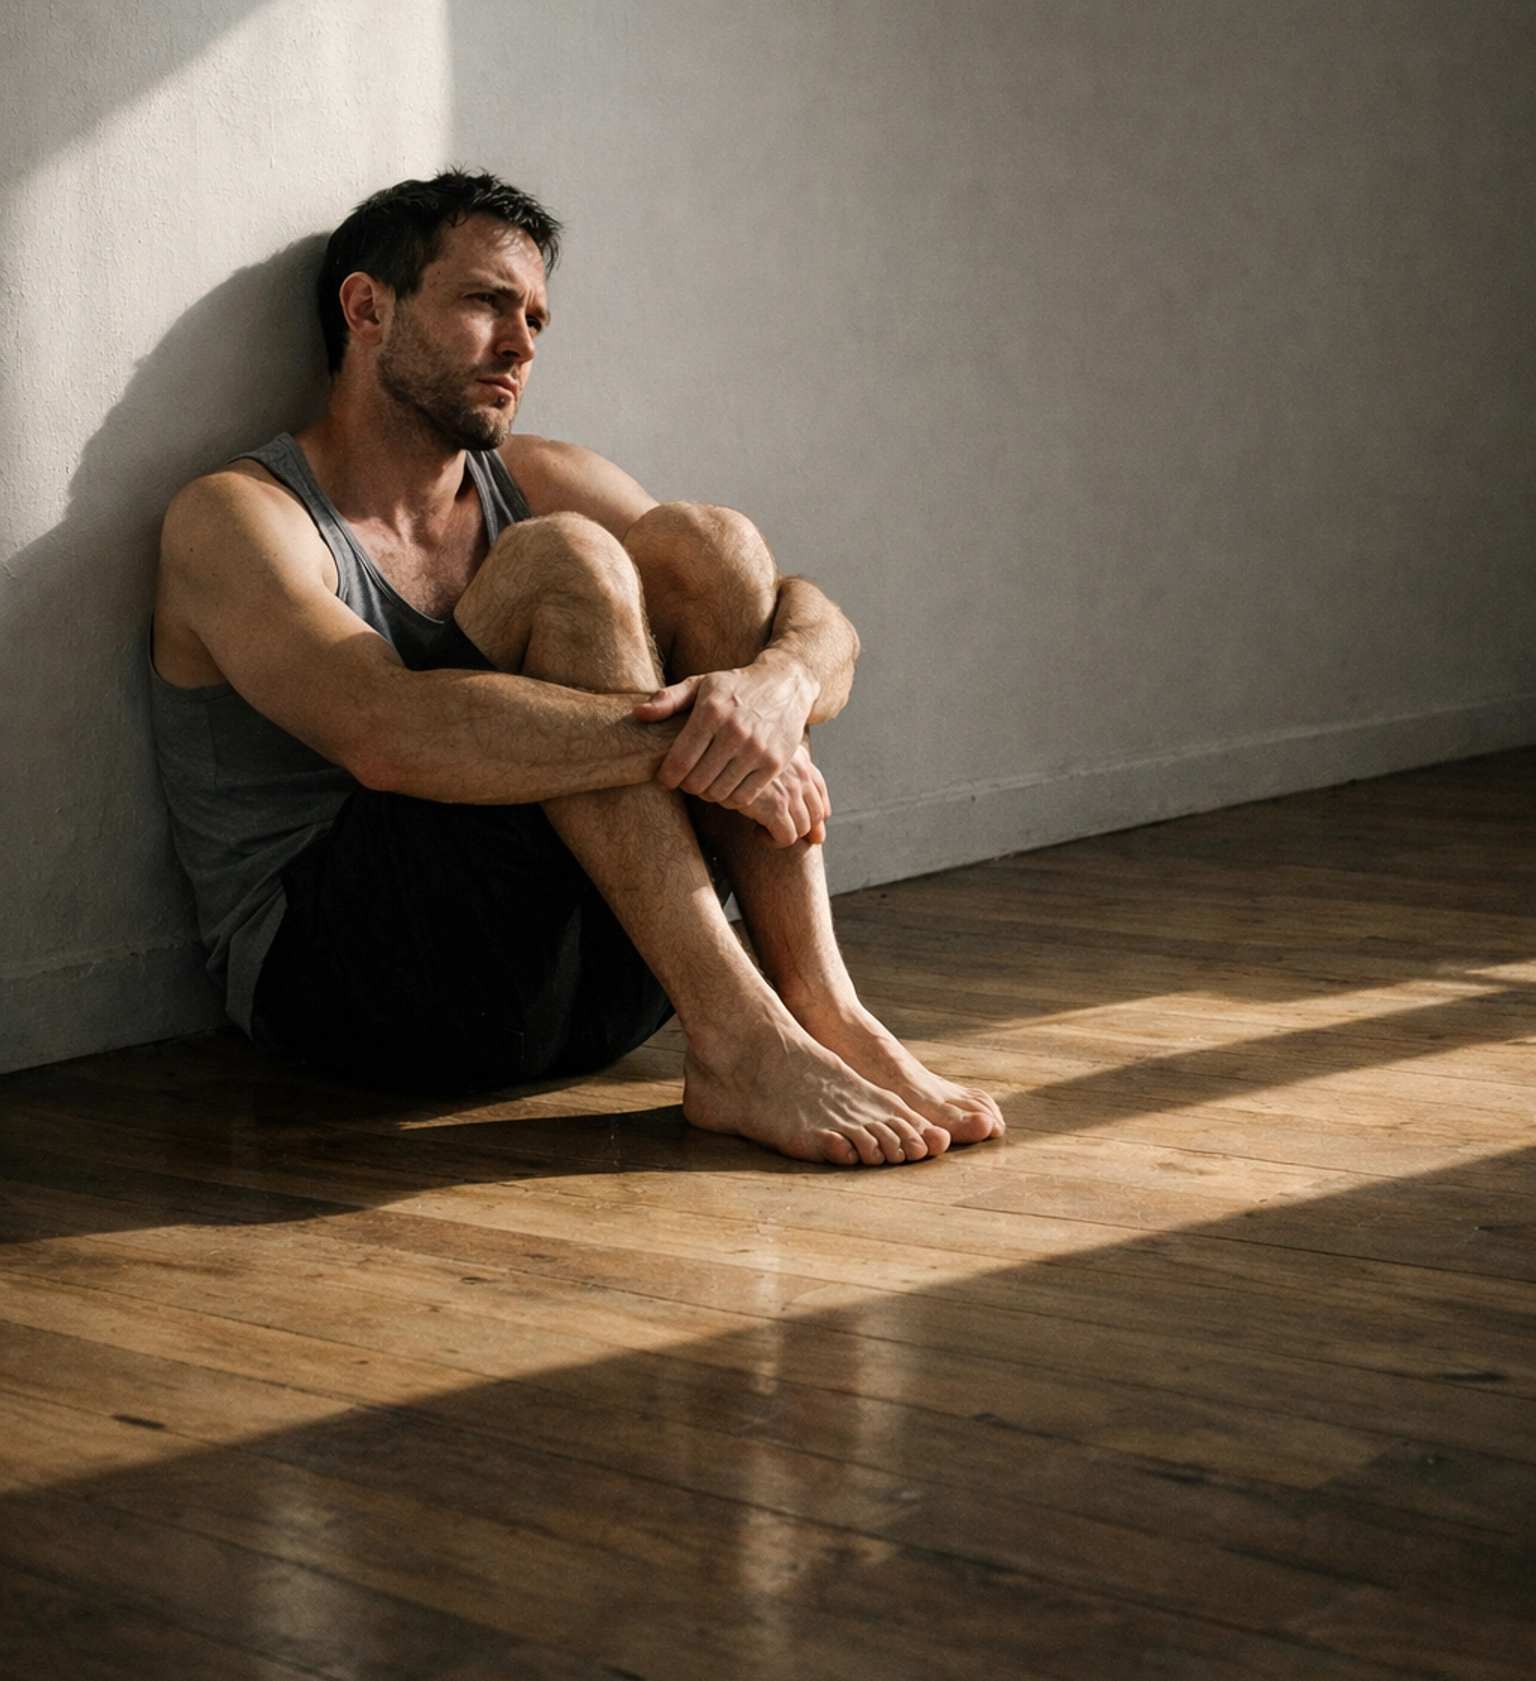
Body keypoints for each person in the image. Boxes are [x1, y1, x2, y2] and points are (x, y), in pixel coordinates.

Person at [151, 171, 1004, 1166]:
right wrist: (700, 735)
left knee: (712, 546)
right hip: (359, 994)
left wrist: (770, 693)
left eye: (536, 319)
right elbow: (384, 732)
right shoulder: (237, 517)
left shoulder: (539, 474)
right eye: (485, 302)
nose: (521, 343)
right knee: (569, 563)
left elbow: (813, 622)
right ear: (367, 307)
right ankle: (741, 1037)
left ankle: (818, 1011)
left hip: (599, 985)